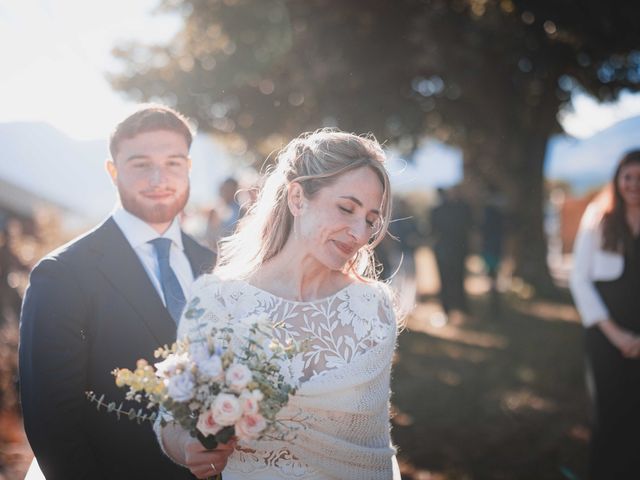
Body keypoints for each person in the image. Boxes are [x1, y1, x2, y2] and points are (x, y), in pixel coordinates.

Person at [159, 130, 401, 479]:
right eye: (346, 208)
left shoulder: (372, 307)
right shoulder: (217, 299)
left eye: (370, 220)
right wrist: (187, 447)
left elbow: (372, 446)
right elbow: (173, 418)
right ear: (298, 198)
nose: (360, 235)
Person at [19, 104, 215, 479]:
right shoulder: (62, 274)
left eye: (174, 162)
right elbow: (52, 421)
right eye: (141, 164)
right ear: (112, 170)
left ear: (188, 167)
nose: (159, 178)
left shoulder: (216, 263)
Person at [569, 150, 640, 479]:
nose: (634, 185)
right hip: (605, 335)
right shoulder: (599, 218)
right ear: (618, 179)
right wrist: (618, 335)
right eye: (628, 177)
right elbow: (579, 280)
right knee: (609, 417)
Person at [430, 186, 472, 320]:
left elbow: (432, 231)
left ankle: (448, 308)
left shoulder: (436, 211)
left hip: (444, 250)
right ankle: (459, 306)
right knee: (458, 278)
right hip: (456, 249)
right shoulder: (461, 208)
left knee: (447, 279)